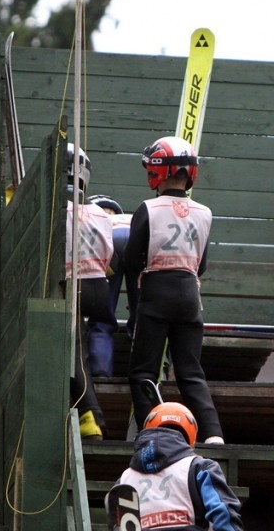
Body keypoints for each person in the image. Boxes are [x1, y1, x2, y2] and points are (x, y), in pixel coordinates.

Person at [124, 136, 224, 443]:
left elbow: (131, 261)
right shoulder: (204, 212)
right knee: (191, 371)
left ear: (157, 171)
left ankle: (152, 434)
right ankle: (213, 433)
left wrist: (134, 310)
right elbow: (202, 264)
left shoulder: (148, 209)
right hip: (190, 294)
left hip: (156, 290)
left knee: (143, 372)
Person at [116, 401, 257, 531]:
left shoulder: (125, 478)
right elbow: (223, 513)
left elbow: (118, 529)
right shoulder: (199, 466)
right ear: (190, 435)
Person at [64, 143, 115, 439]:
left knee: (73, 356)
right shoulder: (98, 212)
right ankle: (89, 417)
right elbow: (110, 258)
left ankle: (90, 416)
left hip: (71, 286)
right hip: (98, 287)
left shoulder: (56, 207)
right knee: (78, 350)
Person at [86, 194, 139, 379]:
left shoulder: (91, 217)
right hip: (136, 238)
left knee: (102, 316)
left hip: (108, 240)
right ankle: (149, 373)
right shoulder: (128, 218)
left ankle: (100, 370)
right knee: (144, 317)